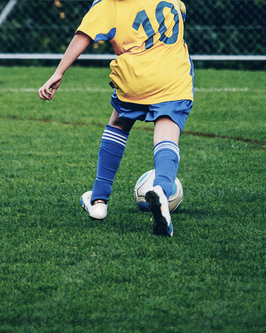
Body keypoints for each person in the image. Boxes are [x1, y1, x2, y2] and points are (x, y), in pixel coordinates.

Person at [38, 0, 193, 237]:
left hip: (135, 77)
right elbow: (181, 12)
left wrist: (59, 72)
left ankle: (99, 201)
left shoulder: (108, 4)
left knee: (118, 124)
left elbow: (84, 35)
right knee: (167, 131)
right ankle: (161, 188)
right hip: (173, 75)